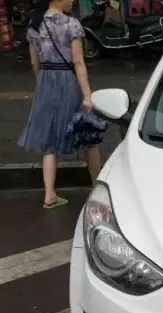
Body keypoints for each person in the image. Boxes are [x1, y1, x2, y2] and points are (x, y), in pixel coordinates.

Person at [18, 0, 101, 208]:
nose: (72, 0)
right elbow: (78, 62)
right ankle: (97, 187)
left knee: (49, 139)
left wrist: (43, 82)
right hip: (67, 81)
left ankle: (49, 194)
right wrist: (87, 95)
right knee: (87, 132)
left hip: (45, 80)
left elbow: (34, 62)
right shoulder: (71, 24)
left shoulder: (35, 25)